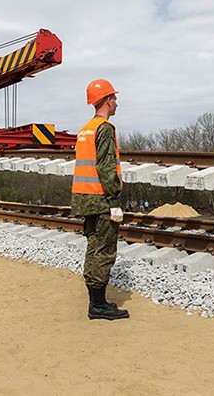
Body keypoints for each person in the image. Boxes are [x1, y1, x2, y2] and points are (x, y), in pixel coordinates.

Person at [71, 79, 129, 321]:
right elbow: (106, 167)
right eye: (114, 98)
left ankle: (95, 301)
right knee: (105, 250)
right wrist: (115, 198)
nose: (117, 102)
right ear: (107, 100)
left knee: (93, 248)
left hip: (84, 198)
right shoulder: (105, 128)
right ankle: (98, 305)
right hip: (101, 198)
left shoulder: (85, 129)